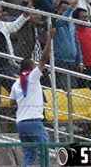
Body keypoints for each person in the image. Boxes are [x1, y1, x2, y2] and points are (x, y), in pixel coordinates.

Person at [9, 27, 55, 167]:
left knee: (29, 154)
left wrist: (24, 102)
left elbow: (11, 102)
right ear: (30, 68)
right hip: (33, 121)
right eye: (34, 65)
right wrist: (50, 39)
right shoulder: (32, 78)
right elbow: (43, 59)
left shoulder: (17, 82)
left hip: (21, 123)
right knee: (43, 151)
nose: (37, 66)